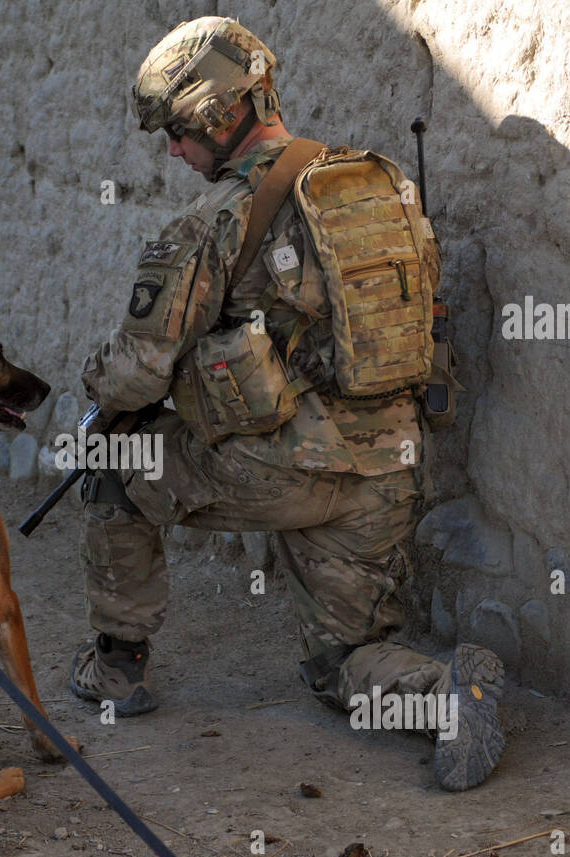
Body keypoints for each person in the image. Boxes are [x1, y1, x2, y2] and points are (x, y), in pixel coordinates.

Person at [70, 16, 505, 790]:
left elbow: (136, 375)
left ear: (215, 113)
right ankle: (446, 695)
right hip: (391, 472)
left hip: (283, 471)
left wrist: (95, 391)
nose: (173, 150)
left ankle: (118, 675)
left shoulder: (211, 223)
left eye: (176, 130)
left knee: (109, 459)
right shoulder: (383, 190)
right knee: (344, 663)